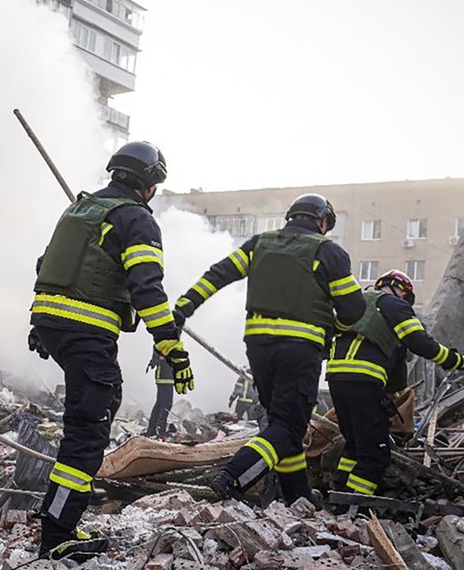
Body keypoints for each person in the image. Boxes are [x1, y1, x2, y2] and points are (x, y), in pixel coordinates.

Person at [28, 141, 191, 560]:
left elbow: (47, 264)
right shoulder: (136, 219)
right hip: (86, 330)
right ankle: (57, 534)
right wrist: (170, 344)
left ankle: (55, 513)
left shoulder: (80, 210)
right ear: (150, 183)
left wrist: (41, 323)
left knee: (96, 409)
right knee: (88, 431)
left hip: (51, 322)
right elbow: (147, 287)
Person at [173, 193, 365, 505]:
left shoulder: (259, 244)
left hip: (258, 347)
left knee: (281, 425)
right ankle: (233, 477)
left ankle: (297, 496)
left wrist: (184, 307)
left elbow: (218, 275)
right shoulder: (328, 252)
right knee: (289, 427)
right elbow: (354, 310)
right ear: (322, 221)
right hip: (299, 349)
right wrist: (333, 325)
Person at [326, 270, 464, 496]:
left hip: (337, 379)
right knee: (375, 454)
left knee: (355, 444)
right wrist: (462, 362)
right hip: (365, 380)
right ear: (400, 290)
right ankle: (355, 504)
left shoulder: (358, 304)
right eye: (406, 297)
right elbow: (421, 344)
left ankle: (339, 493)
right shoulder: (394, 306)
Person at [144, 352, 173, 437]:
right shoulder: (166, 345)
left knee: (160, 404)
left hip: (164, 377)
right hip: (166, 377)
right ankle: (160, 430)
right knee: (166, 405)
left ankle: (152, 430)